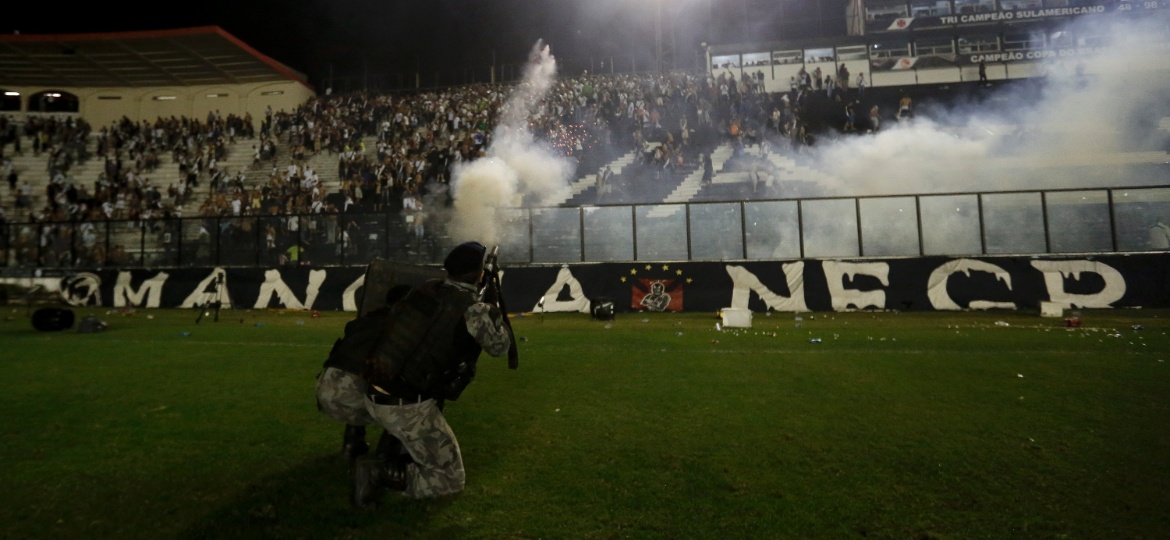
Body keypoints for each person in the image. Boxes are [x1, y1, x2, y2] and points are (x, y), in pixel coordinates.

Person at [352, 241, 513, 507]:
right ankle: (378, 473)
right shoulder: (473, 309)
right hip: (405, 405)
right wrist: (492, 303)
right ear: (478, 274)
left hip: (373, 390)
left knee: (418, 412)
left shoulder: (424, 289)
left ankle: (389, 457)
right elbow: (500, 346)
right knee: (450, 479)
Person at [316, 284, 415, 459]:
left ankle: (352, 443)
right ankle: (386, 458)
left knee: (364, 384)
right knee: (414, 399)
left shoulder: (364, 320)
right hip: (354, 398)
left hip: (325, 393)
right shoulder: (401, 327)